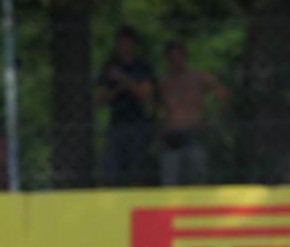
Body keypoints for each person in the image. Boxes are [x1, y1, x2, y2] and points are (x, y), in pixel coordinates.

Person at [157, 40, 227, 186]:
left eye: (178, 56)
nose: (175, 61)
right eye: (172, 57)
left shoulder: (198, 78)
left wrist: (216, 119)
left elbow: (222, 96)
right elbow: (154, 108)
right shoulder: (163, 82)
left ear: (184, 57)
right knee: (170, 181)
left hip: (194, 135)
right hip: (172, 138)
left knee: (197, 179)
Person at [97, 25, 157, 186]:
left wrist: (123, 80)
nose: (124, 45)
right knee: (111, 170)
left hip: (137, 123)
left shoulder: (143, 67)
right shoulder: (109, 67)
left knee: (137, 169)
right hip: (116, 123)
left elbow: (145, 95)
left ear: (134, 44)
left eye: (127, 42)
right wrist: (123, 87)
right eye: (121, 42)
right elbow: (102, 99)